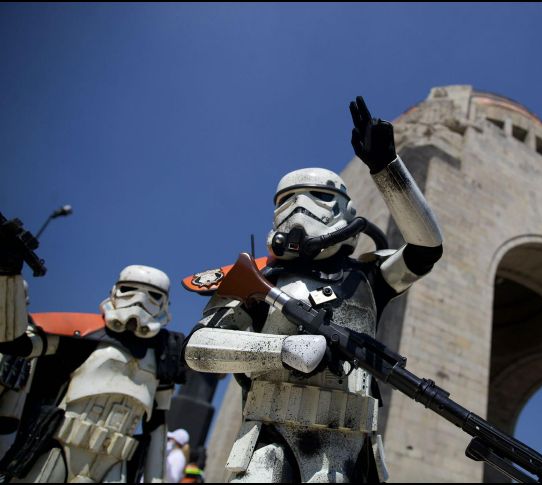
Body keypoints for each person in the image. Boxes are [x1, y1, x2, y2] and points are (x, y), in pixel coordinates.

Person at [182, 96, 444, 482]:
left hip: (348, 450)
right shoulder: (256, 277)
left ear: (346, 212)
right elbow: (200, 350)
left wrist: (387, 169)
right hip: (266, 442)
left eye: (320, 197)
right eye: (286, 200)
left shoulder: (368, 277)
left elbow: (425, 249)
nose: (300, 208)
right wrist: (282, 351)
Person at [0, 265, 186, 482]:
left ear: (165, 303)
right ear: (114, 292)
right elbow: (17, 344)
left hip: (115, 459)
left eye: (153, 296)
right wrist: (7, 274)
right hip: (62, 445)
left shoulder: (164, 355)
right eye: (129, 290)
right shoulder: (85, 335)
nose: (140, 301)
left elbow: (157, 425)